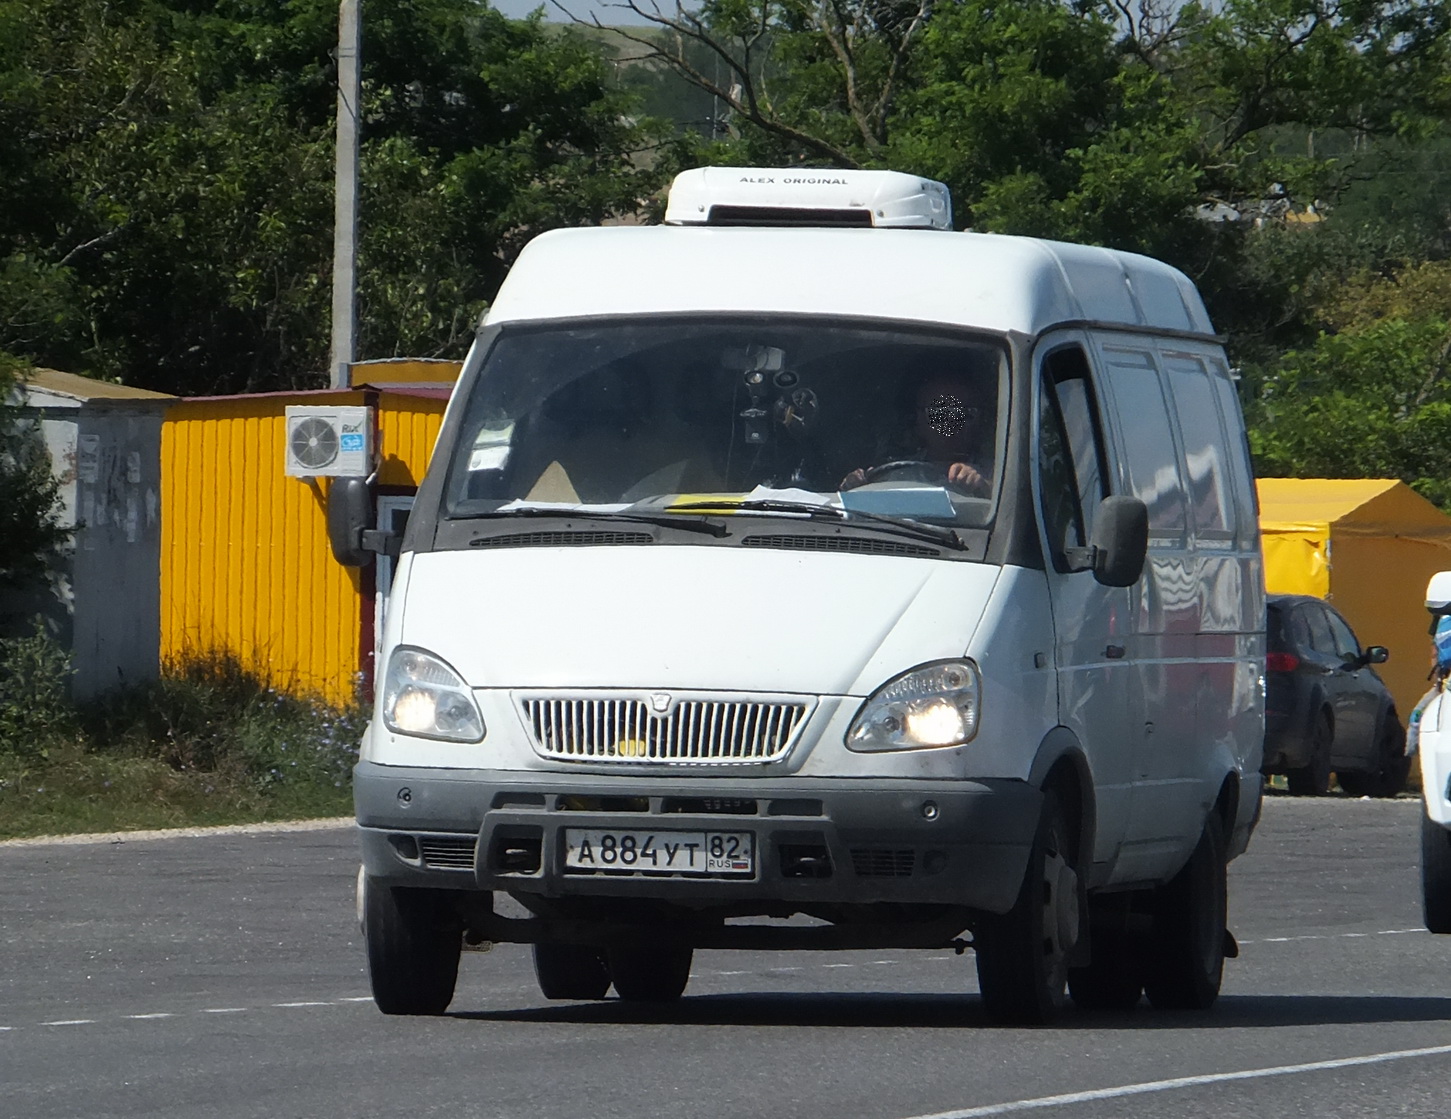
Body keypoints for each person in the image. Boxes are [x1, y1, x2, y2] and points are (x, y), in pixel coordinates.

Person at [840, 370, 992, 494]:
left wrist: (983, 487)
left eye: (961, 413)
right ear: (919, 420)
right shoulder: (895, 473)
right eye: (938, 413)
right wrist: (856, 487)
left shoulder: (1002, 474)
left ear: (978, 420)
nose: (950, 423)